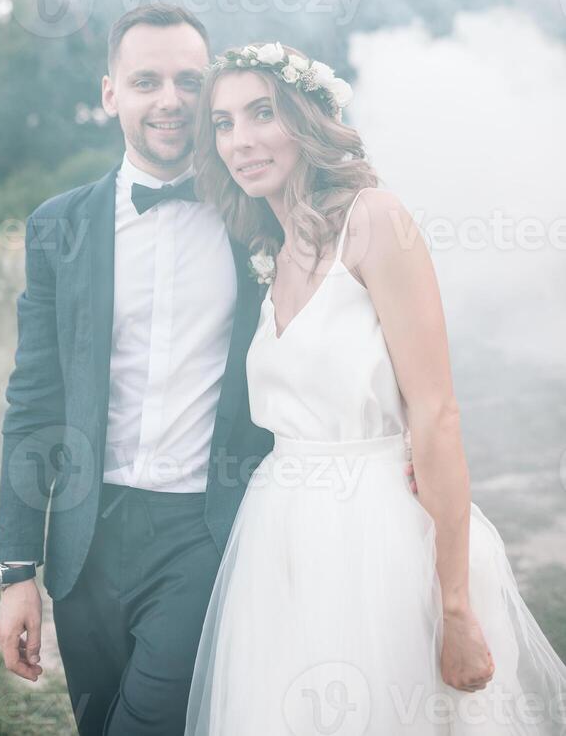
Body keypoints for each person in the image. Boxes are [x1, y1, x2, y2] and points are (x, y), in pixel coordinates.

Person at [0, 6, 418, 736]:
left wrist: (405, 432)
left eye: (190, 81)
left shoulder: (262, 215)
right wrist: (15, 570)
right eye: (146, 80)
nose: (171, 100)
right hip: (84, 541)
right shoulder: (57, 226)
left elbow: (354, 321)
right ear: (109, 93)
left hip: (205, 532)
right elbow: (34, 401)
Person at [184, 42, 566, 735]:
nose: (241, 139)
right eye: (223, 122)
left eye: (262, 113)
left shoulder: (376, 219)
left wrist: (454, 607)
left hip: (377, 528)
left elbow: (437, 411)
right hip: (280, 534)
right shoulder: (267, 249)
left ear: (306, 118)